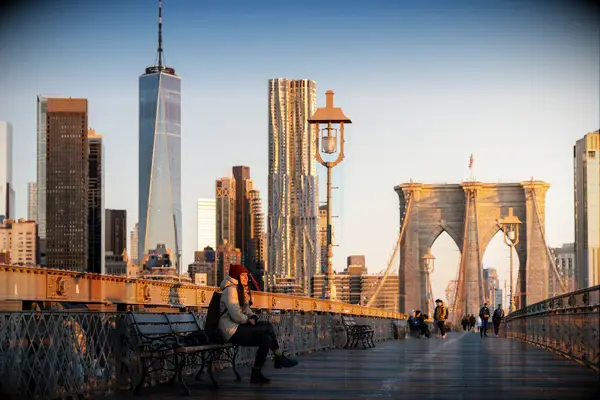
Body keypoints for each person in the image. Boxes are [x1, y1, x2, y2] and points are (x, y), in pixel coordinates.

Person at [219, 264, 298, 383]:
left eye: (246, 275)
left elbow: (246, 310)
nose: (246, 277)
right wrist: (247, 320)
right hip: (230, 331)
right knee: (267, 326)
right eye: (243, 275)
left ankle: (256, 373)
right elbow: (236, 316)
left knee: (266, 339)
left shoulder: (239, 289)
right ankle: (279, 357)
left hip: (239, 328)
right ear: (236, 276)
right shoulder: (230, 290)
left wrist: (252, 316)